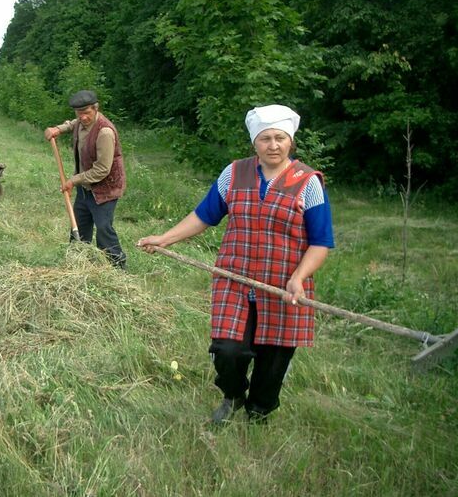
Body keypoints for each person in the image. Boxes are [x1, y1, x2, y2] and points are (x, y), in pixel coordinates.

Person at [137, 104, 334, 425]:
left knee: (273, 362)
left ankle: (259, 411)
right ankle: (233, 395)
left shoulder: (307, 183)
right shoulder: (234, 174)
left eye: (280, 138)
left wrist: (299, 277)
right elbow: (204, 216)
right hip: (235, 281)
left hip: (284, 287)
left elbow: (321, 242)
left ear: (290, 142)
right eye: (266, 138)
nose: (273, 145)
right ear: (254, 142)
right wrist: (165, 238)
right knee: (228, 351)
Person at [44, 90, 127, 269]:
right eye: (79, 113)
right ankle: (77, 264)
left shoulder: (104, 132)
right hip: (85, 188)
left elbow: (102, 169)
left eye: (86, 113)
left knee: (104, 229)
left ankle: (118, 268)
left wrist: (73, 180)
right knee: (80, 227)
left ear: (96, 109)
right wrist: (57, 129)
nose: (82, 117)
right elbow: (72, 124)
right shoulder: (81, 122)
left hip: (105, 189)